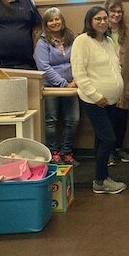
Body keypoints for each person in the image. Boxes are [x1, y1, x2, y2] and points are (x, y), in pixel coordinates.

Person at [71, 6, 127, 194]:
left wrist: (116, 89)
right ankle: (101, 180)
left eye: (105, 18)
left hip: (111, 101)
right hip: (95, 101)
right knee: (109, 139)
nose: (103, 22)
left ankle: (100, 179)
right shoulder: (82, 41)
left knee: (101, 141)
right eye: (98, 19)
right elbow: (79, 74)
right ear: (90, 21)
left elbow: (114, 67)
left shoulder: (109, 41)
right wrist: (96, 96)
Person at [34, 8, 79, 166]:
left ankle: (67, 152)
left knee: (73, 120)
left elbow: (79, 59)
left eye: (57, 19)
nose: (55, 23)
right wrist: (64, 84)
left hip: (73, 87)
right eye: (50, 20)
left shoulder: (72, 38)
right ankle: (54, 153)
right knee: (51, 121)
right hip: (50, 88)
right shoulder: (42, 42)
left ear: (62, 20)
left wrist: (75, 80)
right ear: (46, 24)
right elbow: (44, 67)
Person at [103, 0, 129, 166]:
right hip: (105, 81)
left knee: (121, 118)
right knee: (106, 119)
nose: (116, 15)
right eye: (112, 11)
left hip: (124, 81)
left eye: (119, 12)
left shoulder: (128, 31)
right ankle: (106, 152)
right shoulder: (99, 31)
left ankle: (118, 148)